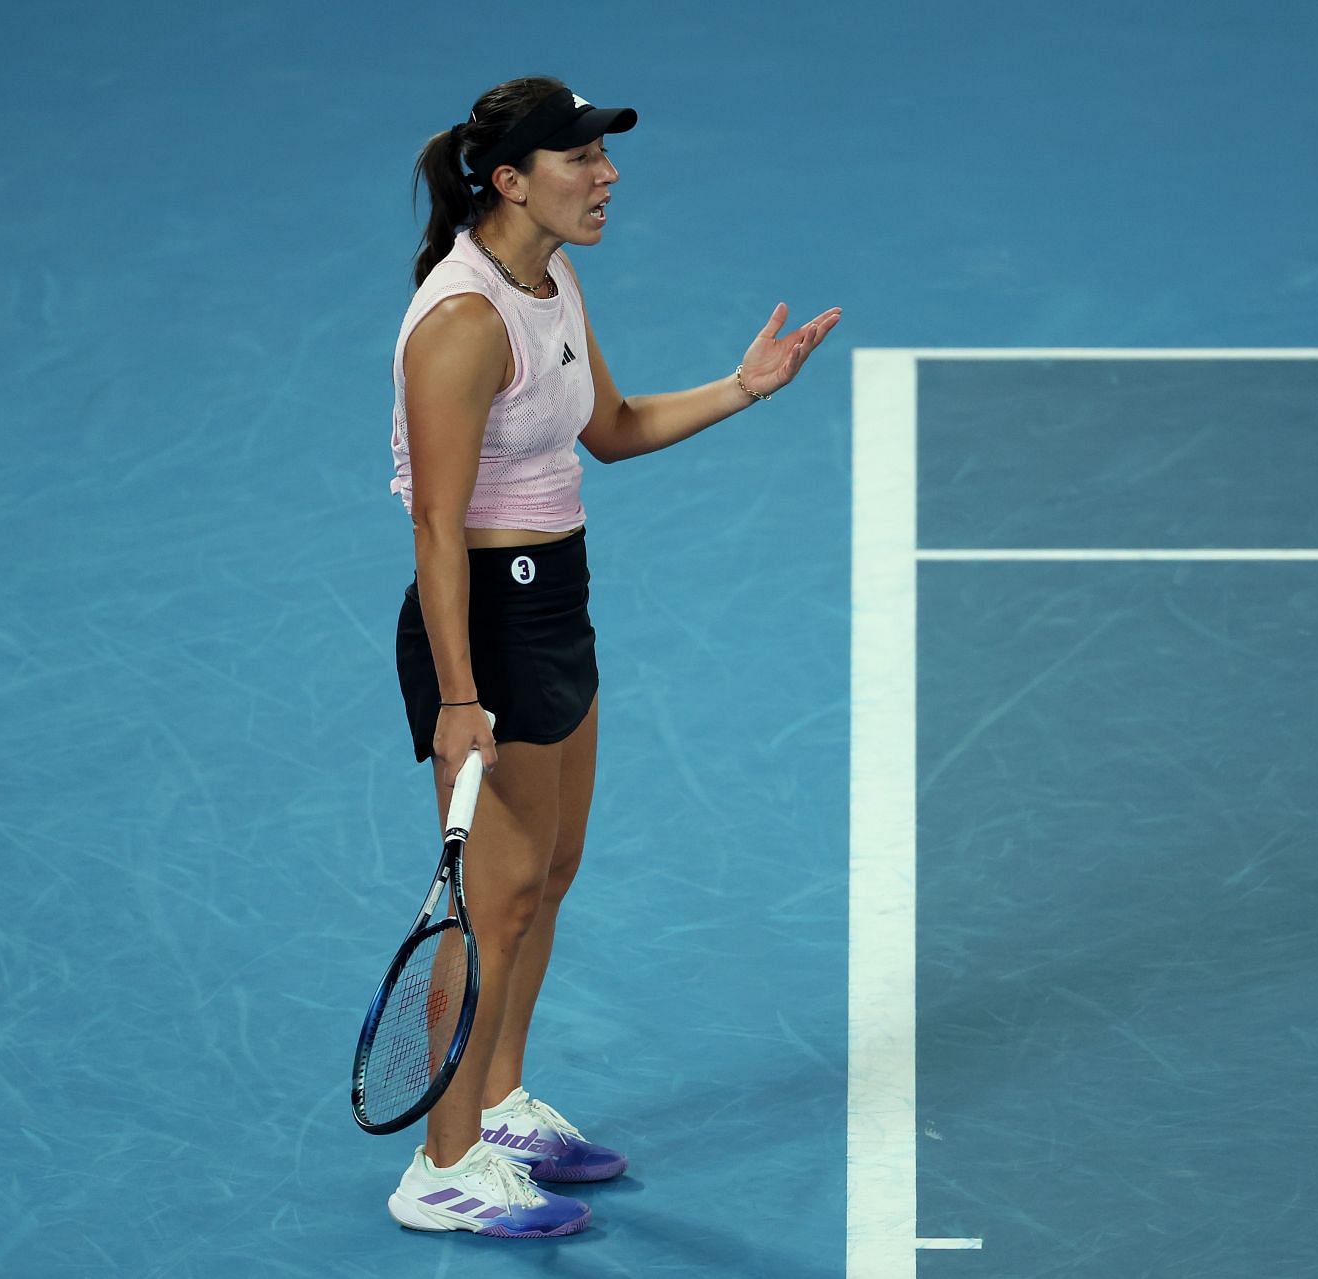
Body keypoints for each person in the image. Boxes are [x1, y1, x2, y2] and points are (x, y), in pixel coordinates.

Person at [382, 77, 841, 1239]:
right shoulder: (463, 322)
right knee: (487, 899)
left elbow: (614, 429)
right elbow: (436, 525)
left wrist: (745, 388)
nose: (607, 174)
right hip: (479, 620)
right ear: (511, 179)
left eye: (602, 153)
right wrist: (457, 696)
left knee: (549, 874)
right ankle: (440, 1165)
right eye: (580, 156)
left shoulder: (553, 281)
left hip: (556, 605)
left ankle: (497, 1099)